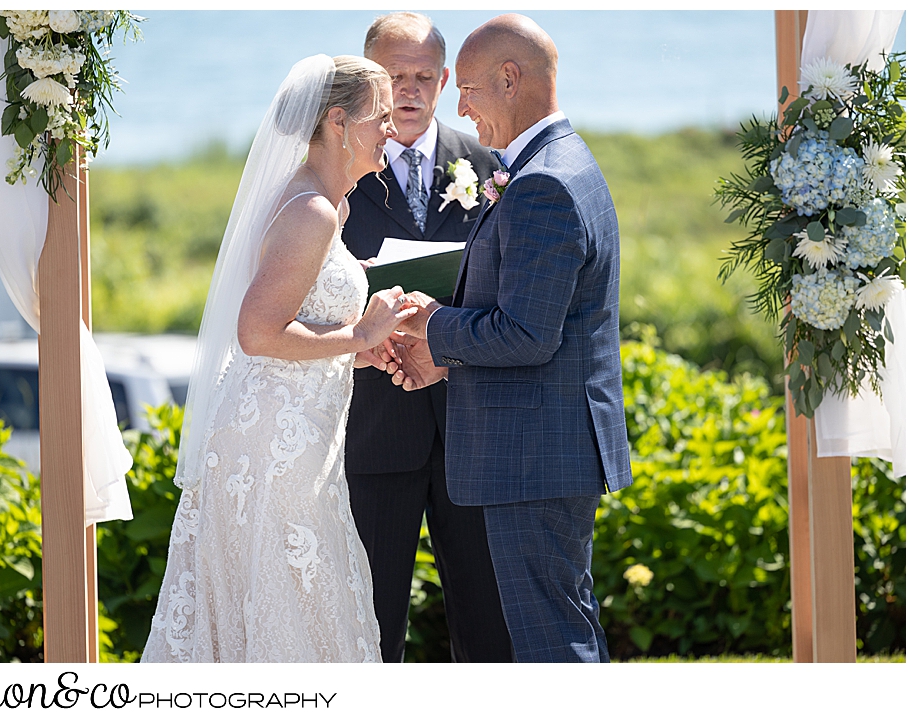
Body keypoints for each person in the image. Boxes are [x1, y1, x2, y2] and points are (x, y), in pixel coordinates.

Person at [141, 55, 418, 663]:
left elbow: (302, 320)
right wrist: (357, 337)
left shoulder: (327, 205)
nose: (390, 131)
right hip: (273, 448)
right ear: (339, 123)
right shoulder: (311, 211)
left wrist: (359, 351)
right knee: (292, 602)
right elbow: (259, 334)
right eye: (379, 117)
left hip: (300, 434)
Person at [388, 15, 634, 663]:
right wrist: (449, 353)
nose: (459, 108)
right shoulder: (561, 162)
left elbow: (526, 334)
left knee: (552, 641)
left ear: (510, 78)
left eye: (467, 89)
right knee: (561, 625)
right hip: (545, 449)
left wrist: (431, 325)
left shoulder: (542, 184)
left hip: (532, 458)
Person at [340, 12, 511, 663]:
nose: (407, 91)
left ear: (443, 81)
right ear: (368, 80)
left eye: (420, 77)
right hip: (373, 428)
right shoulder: (338, 170)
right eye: (392, 76)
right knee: (371, 625)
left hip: (473, 426)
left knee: (487, 623)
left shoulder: (488, 166)